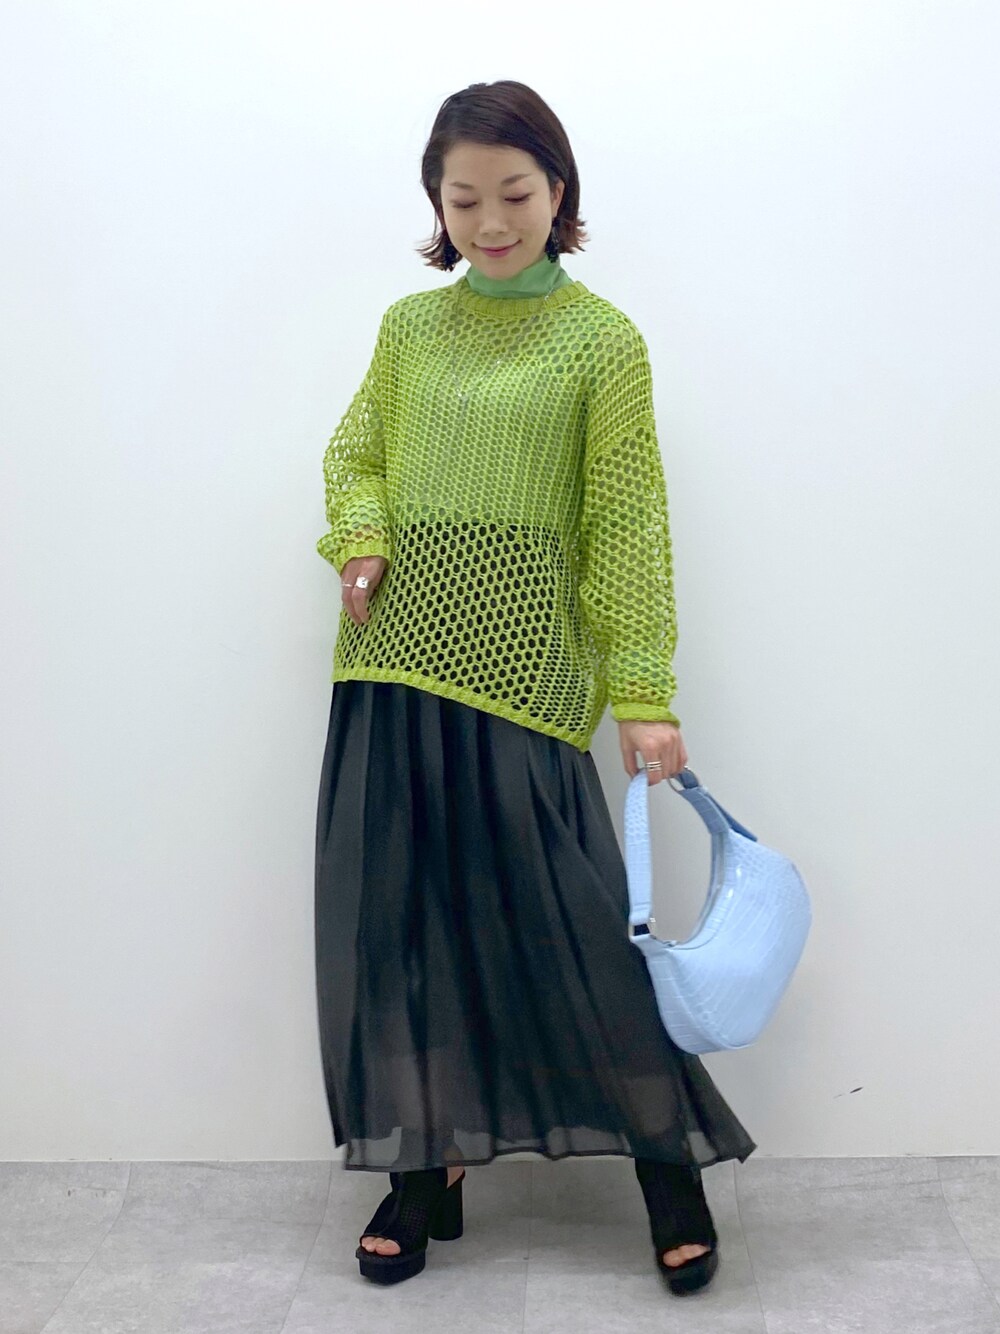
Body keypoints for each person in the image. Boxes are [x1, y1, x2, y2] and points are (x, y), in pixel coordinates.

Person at [313, 79, 756, 1294]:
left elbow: (625, 522)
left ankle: (668, 1166)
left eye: (513, 193)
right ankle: (426, 1166)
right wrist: (362, 539)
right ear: (436, 204)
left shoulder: (601, 340)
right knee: (406, 932)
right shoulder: (409, 328)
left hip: (522, 678)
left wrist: (644, 690)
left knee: (581, 928)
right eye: (463, 199)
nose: (490, 220)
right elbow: (355, 453)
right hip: (394, 667)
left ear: (558, 190)